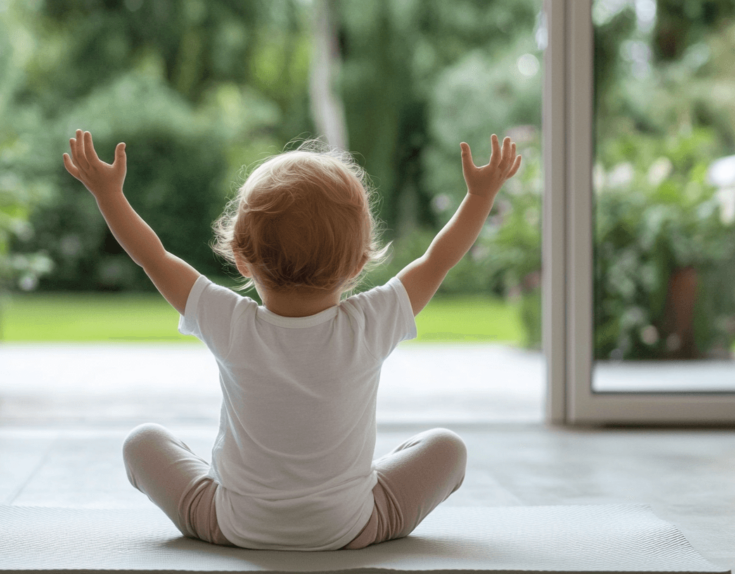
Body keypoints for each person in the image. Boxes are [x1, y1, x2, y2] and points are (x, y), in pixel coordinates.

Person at [63, 130, 521, 550]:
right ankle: (344, 491)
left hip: (234, 526)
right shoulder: (371, 321)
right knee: (448, 448)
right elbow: (438, 259)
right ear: (359, 263)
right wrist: (480, 196)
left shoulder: (231, 322)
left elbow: (153, 257)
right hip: (350, 527)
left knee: (141, 442)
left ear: (242, 258)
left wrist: (109, 195)